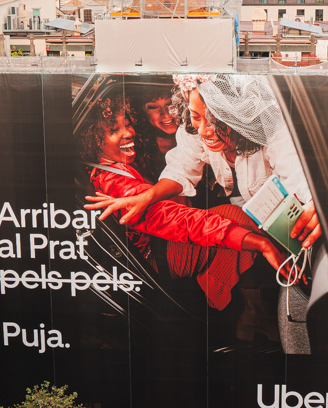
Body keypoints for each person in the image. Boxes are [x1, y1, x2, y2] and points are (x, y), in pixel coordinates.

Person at [78, 95, 282, 312]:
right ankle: (251, 312)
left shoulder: (120, 164)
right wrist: (260, 243)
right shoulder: (113, 180)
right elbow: (177, 220)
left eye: (127, 126)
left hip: (158, 247)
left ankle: (246, 314)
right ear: (93, 140)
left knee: (235, 223)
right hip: (154, 257)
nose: (128, 134)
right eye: (113, 131)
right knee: (237, 221)